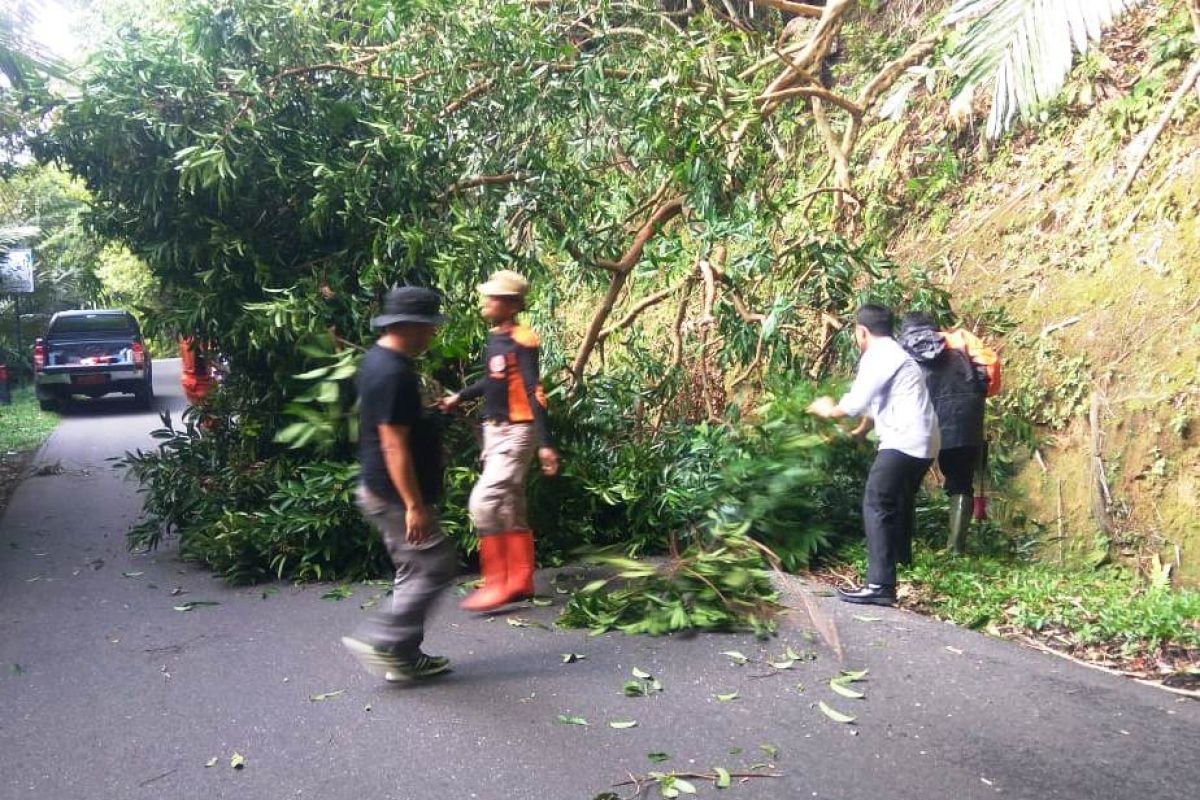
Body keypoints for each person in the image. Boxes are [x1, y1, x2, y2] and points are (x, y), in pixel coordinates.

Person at [341, 286, 457, 681]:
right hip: (392, 495)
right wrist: (414, 505)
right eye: (428, 328)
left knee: (413, 569)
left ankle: (404, 658)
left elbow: (394, 423)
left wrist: (429, 417)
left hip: (379, 487)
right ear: (410, 325)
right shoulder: (393, 373)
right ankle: (383, 639)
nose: (432, 336)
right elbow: (393, 445)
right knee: (438, 565)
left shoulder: (377, 360)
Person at [440, 270, 560, 612]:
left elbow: (533, 391)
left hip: (517, 430)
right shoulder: (497, 337)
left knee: (484, 501)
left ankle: (497, 583)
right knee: (509, 505)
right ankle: (520, 580)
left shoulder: (523, 339)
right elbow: (494, 381)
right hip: (495, 431)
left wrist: (545, 442)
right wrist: (459, 396)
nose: (486, 302)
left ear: (512, 305)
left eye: (493, 298)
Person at [808, 304, 939, 606]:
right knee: (897, 501)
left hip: (905, 440)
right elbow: (876, 402)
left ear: (861, 331)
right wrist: (859, 432)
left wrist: (826, 409)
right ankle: (899, 565)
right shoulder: (895, 354)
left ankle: (881, 585)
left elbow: (853, 404)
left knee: (877, 501)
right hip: (923, 441)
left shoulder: (879, 355)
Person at [898, 311, 989, 553]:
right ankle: (956, 548)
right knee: (961, 482)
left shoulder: (902, 351)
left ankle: (904, 543)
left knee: (904, 482)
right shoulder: (961, 342)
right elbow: (986, 379)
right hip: (964, 421)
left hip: (920, 423)